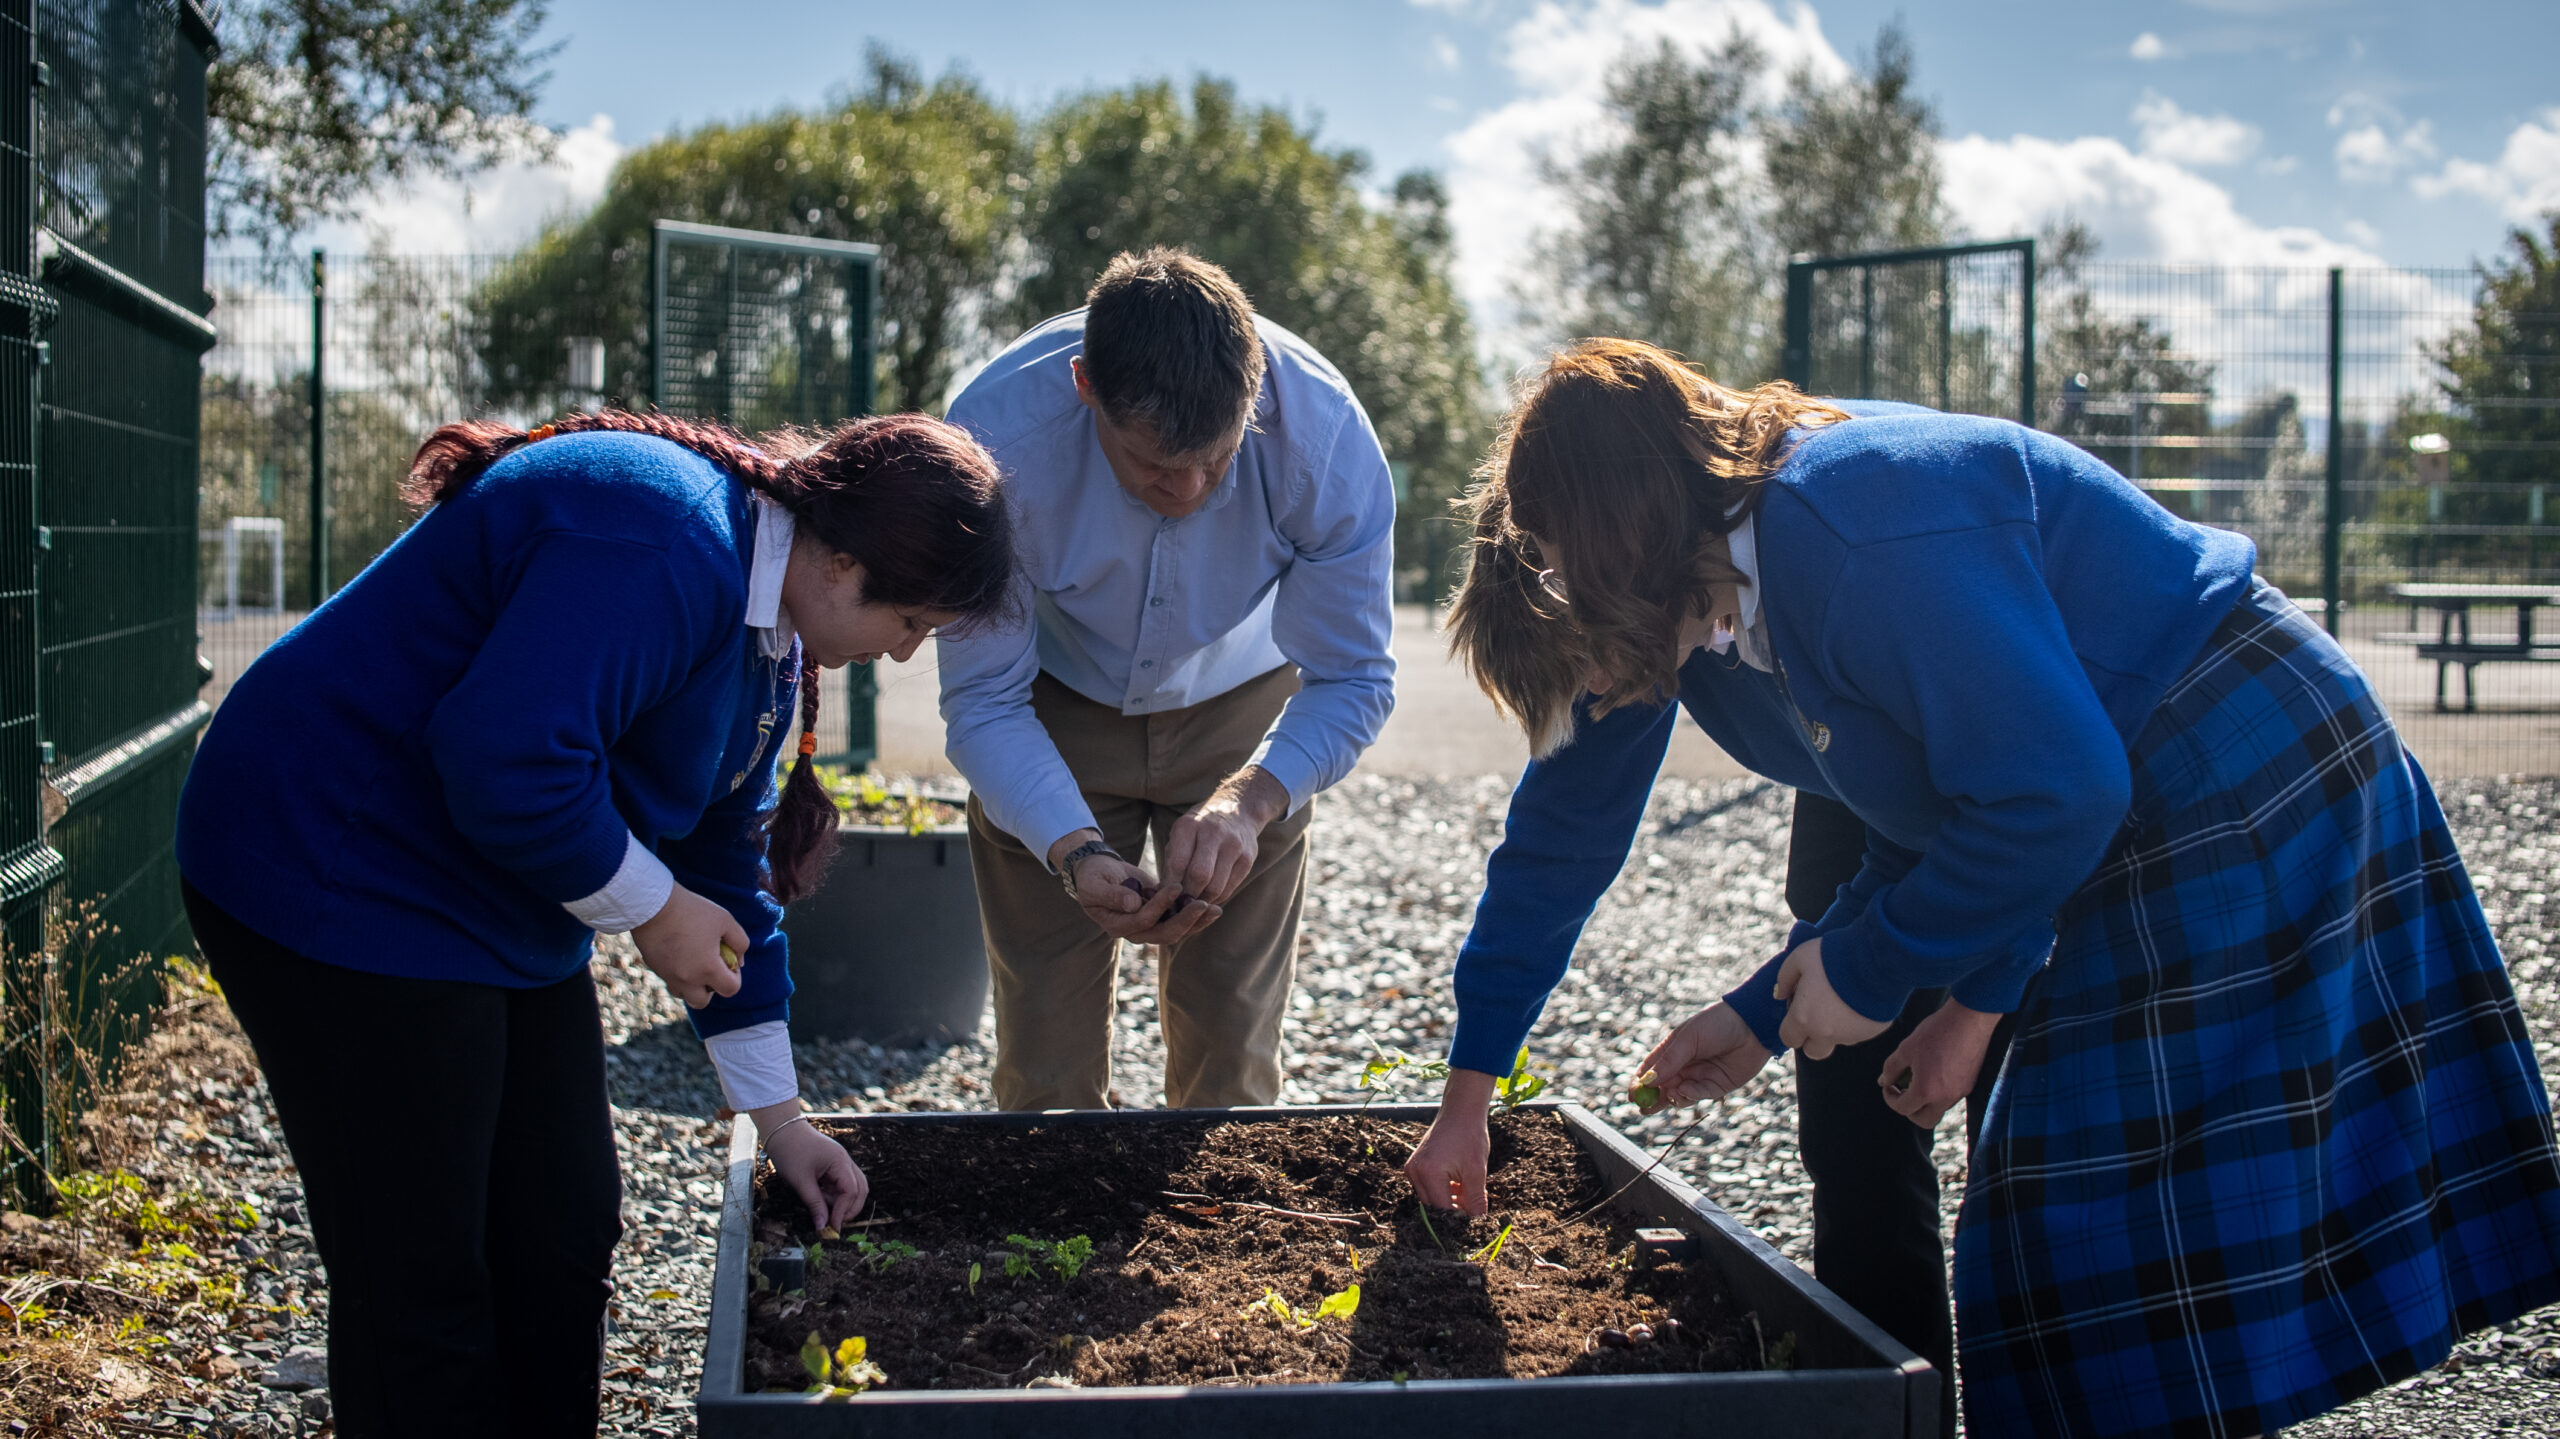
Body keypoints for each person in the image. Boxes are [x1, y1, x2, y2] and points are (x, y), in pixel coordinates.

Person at [1403, 338, 2560, 1436]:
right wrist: (1770, 1010)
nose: (1583, 643)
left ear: (1617, 537)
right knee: (2095, 1255)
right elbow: (1952, 807)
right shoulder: (1723, 598)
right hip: (2116, 793)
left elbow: (2051, 793)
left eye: (1562, 572)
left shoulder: (1838, 528)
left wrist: (1878, 969)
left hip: (2232, 769)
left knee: (2094, 1238)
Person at [175, 409, 1015, 1437]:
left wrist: (783, 1120)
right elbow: (505, 759)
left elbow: (723, 866)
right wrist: (653, 906)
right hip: (335, 857)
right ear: (843, 559)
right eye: (914, 622)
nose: (901, 655)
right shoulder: (664, 539)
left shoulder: (771, 633)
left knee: (560, 1225)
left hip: (485, 882)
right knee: (425, 1260)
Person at [937, 247, 1397, 1111]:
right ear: (1084, 386)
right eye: (1152, 463)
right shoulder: (991, 438)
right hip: (1051, 706)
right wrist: (1071, 850)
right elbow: (982, 698)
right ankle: (1062, 1238)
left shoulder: (1328, 437)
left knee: (1233, 1050)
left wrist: (1252, 800)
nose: (1185, 488)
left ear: (1255, 394)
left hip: (1244, 707)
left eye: (1216, 460)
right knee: (1045, 1061)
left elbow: (1355, 675)